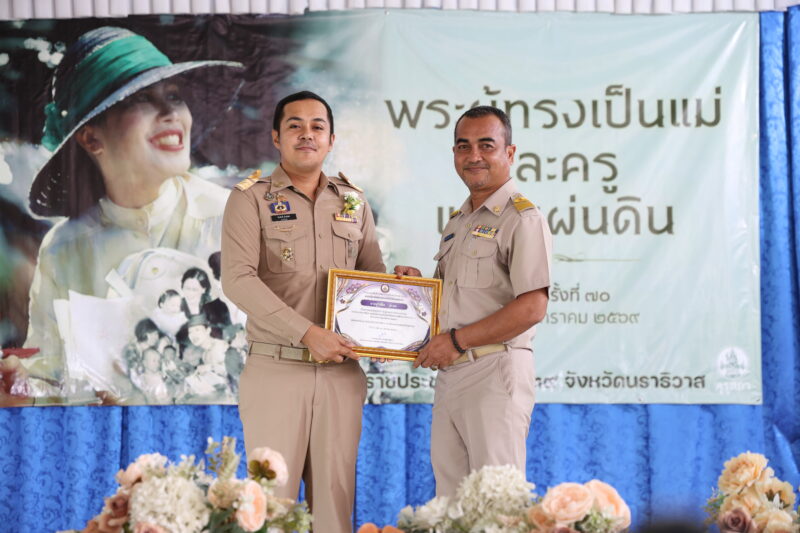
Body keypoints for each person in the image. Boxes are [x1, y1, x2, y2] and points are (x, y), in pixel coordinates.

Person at [20, 26, 243, 397]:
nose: (171, 112)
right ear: (91, 138)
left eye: (174, 96)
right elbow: (46, 377)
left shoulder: (233, 218)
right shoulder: (64, 251)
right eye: (141, 98)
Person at [221, 91, 385, 532]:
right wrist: (307, 333)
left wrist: (398, 294)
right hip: (277, 370)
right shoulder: (250, 199)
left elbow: (371, 276)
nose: (307, 134)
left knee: (334, 507)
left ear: (331, 139)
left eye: (317, 126)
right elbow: (237, 279)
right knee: (270, 511)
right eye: (295, 125)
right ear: (276, 137)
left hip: (341, 376)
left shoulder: (353, 201)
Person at [395, 106, 552, 497]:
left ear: (510, 153)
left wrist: (456, 341)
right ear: (454, 154)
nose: (474, 155)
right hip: (453, 373)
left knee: (496, 503)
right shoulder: (460, 220)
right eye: (463, 146)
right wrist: (416, 293)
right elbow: (453, 303)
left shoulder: (522, 218)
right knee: (451, 504)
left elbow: (532, 307)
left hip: (493, 370)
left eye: (486, 145)